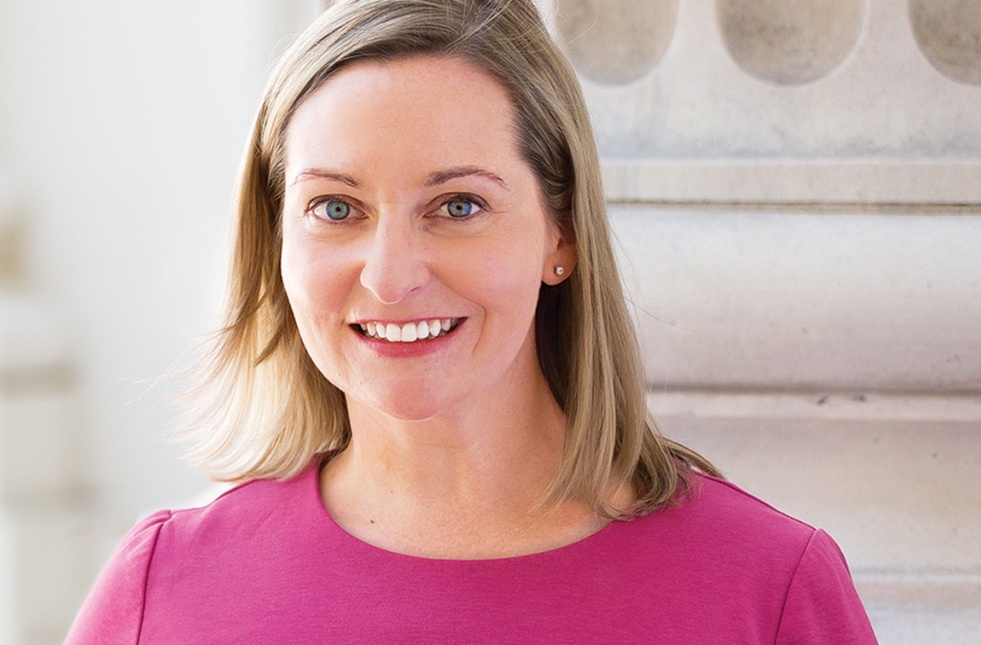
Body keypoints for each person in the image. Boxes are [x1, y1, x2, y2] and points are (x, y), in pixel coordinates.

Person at [68, 0, 877, 642]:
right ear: (277, 238)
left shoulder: (765, 589)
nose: (389, 275)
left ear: (560, 233)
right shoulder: (166, 589)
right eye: (336, 207)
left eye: (457, 205)